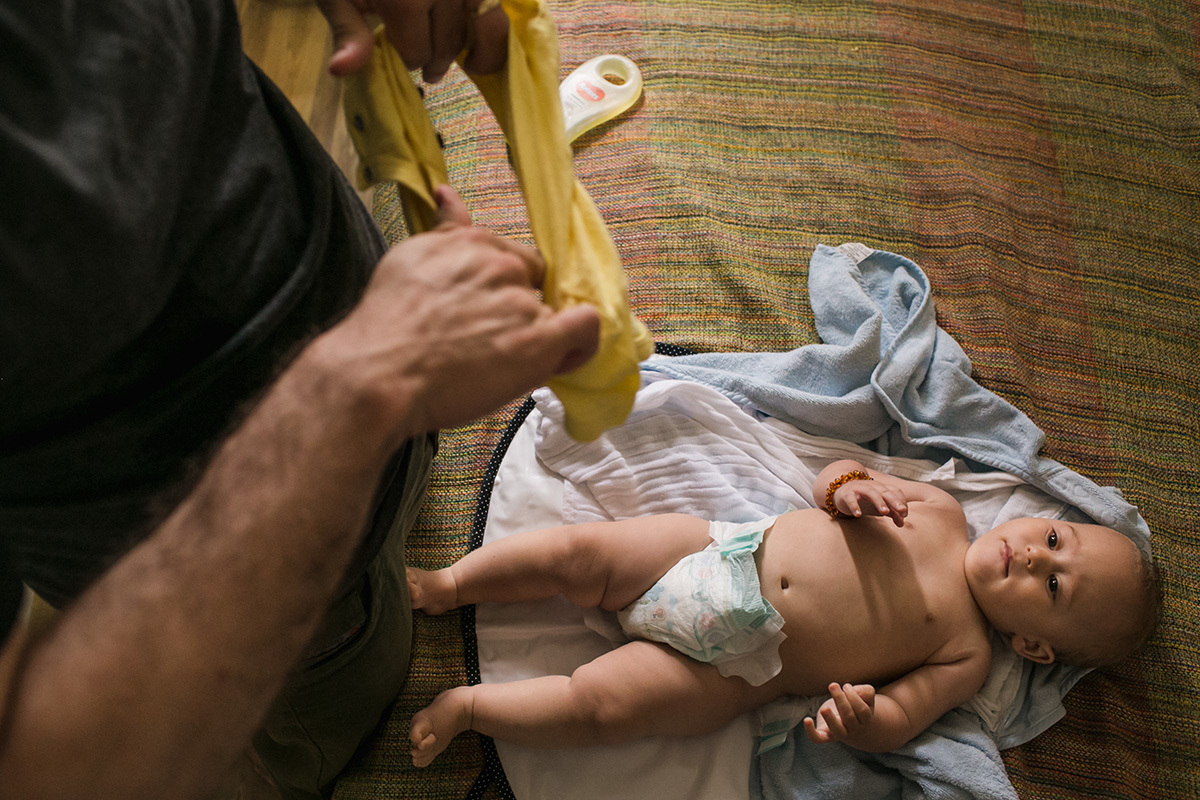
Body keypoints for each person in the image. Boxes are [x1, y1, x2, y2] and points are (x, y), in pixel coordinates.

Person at [0, 1, 598, 799]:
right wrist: (356, 387)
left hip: (376, 407)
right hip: (229, 606)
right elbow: (50, 768)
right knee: (335, 709)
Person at [405, 458, 1159, 765]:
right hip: (715, 552)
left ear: (1032, 647)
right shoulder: (941, 510)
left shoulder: (966, 655)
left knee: (601, 707)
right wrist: (849, 487)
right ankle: (451, 584)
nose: (1034, 555)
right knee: (581, 555)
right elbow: (829, 479)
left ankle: (473, 706)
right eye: (1054, 537)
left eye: (1054, 585)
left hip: (733, 670)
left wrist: (866, 721)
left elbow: (901, 719)